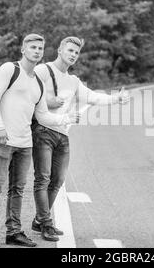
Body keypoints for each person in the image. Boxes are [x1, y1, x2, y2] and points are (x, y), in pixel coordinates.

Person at [0, 34, 80, 248]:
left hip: (25, 143)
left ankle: (13, 232)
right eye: (32, 47)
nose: (37, 51)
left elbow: (42, 115)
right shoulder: (9, 69)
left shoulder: (38, 83)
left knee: (17, 189)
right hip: (3, 139)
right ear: (23, 49)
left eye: (40, 48)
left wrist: (65, 118)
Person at [31, 36, 130, 242]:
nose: (73, 55)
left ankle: (40, 220)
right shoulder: (43, 71)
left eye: (76, 52)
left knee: (57, 179)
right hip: (43, 130)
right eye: (70, 51)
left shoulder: (74, 81)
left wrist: (116, 99)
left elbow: (93, 97)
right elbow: (28, 92)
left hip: (62, 134)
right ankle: (46, 223)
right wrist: (48, 100)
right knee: (43, 178)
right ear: (60, 50)